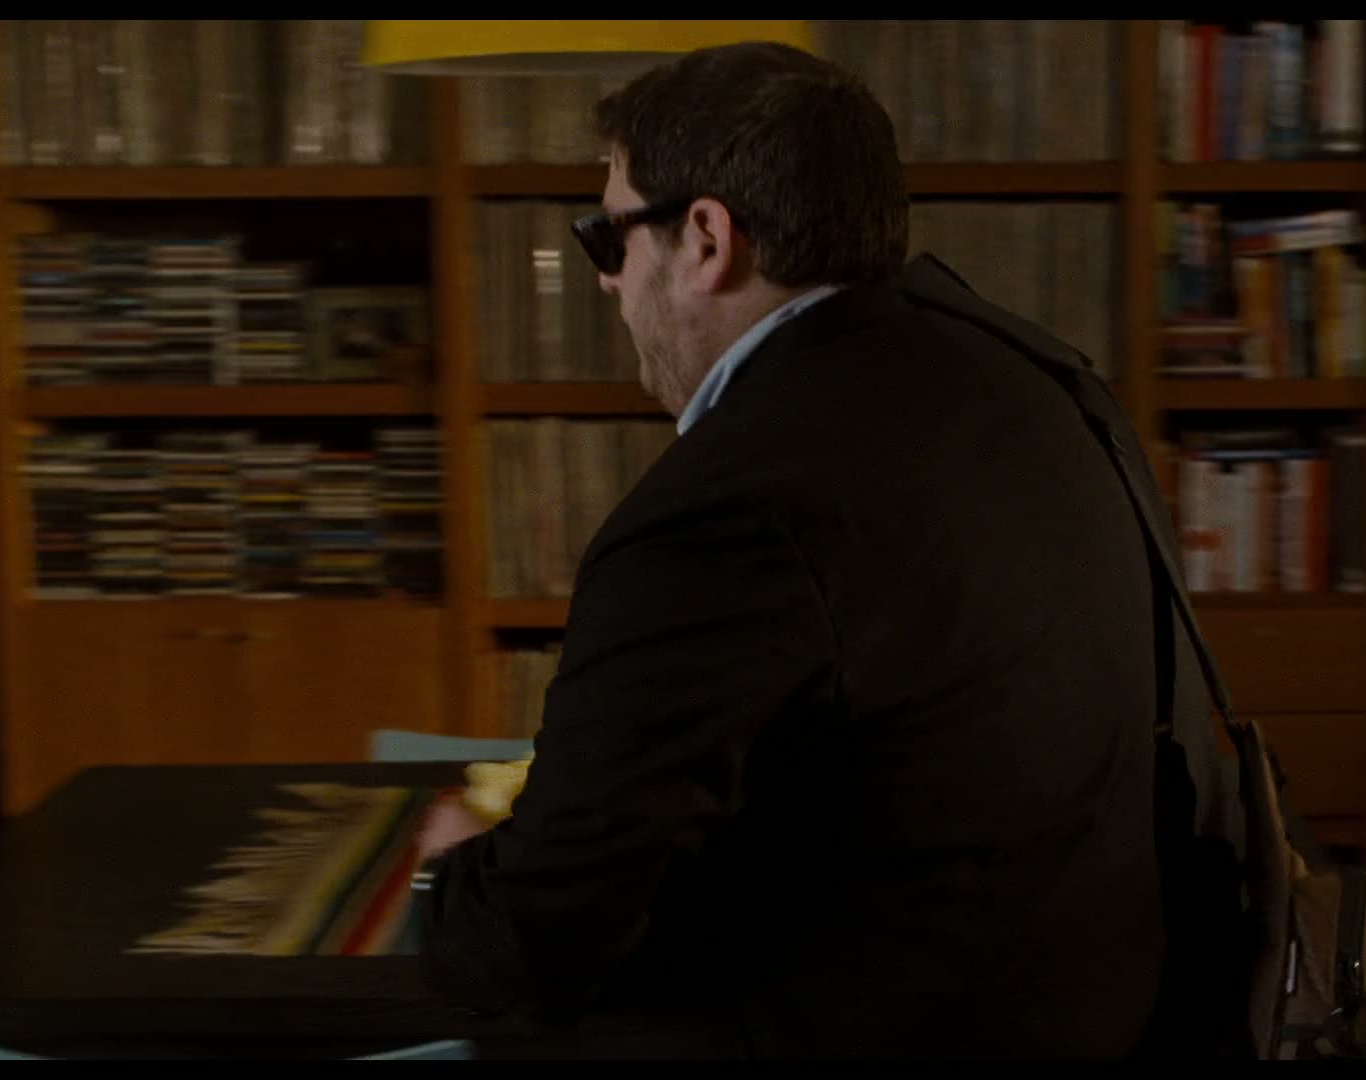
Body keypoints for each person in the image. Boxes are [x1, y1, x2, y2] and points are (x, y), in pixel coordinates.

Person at [414, 41, 1166, 1059]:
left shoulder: (723, 517)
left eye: (609, 237)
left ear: (706, 239)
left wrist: (447, 868)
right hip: (1098, 1010)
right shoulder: (1035, 380)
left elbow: (530, 942)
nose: (607, 283)